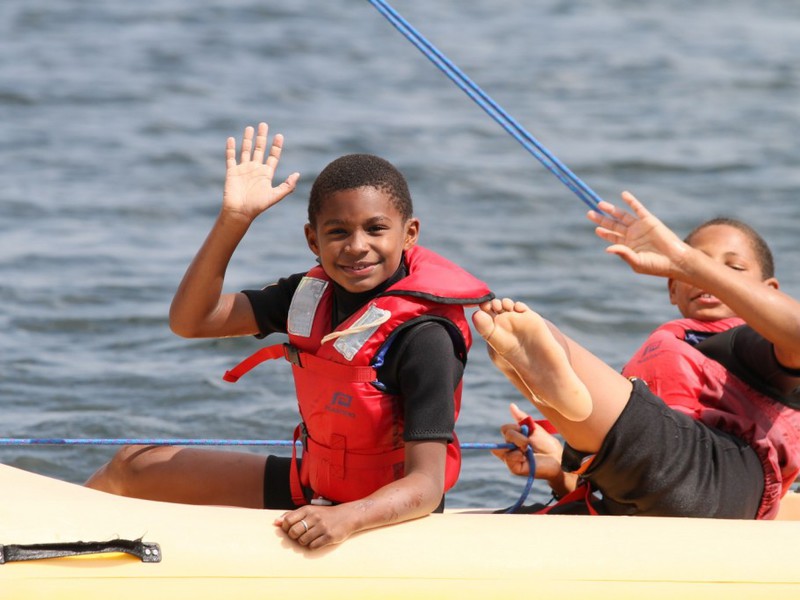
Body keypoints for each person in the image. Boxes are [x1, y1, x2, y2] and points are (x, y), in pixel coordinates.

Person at [86, 122, 493, 549]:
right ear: (312, 240)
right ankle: (52, 548)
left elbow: (426, 487)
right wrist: (235, 219)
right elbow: (193, 320)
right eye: (338, 232)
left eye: (375, 229)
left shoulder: (425, 337)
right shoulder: (308, 295)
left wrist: (345, 519)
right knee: (131, 466)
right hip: (309, 483)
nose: (356, 246)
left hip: (383, 512)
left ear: (409, 234)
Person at [477, 191, 800, 519]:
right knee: (526, 515)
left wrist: (689, 262)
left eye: (733, 267)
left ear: (769, 290)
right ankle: (578, 419)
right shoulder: (660, 355)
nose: (712, 275)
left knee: (639, 423)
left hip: (724, 479)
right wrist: (562, 471)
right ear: (673, 287)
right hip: (643, 495)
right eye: (698, 266)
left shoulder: (759, 346)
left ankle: (563, 373)